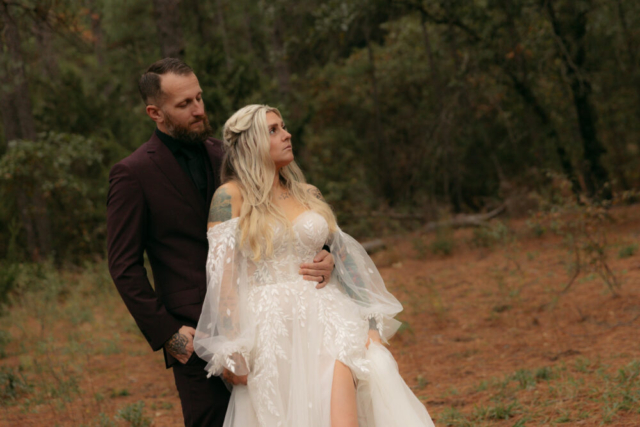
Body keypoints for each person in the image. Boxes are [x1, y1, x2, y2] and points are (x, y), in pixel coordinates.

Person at [106, 59, 335, 427]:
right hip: (196, 335)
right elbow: (123, 266)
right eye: (184, 104)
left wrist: (325, 256)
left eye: (199, 98)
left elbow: (291, 215)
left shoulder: (231, 156)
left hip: (268, 325)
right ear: (155, 112)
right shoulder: (133, 174)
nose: (199, 110)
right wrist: (170, 336)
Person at [195, 104, 435, 426]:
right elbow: (221, 276)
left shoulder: (307, 193)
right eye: (273, 130)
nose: (287, 134)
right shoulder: (230, 197)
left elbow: (341, 252)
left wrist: (332, 261)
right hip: (272, 329)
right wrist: (232, 346)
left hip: (329, 316)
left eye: (283, 126)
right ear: (251, 142)